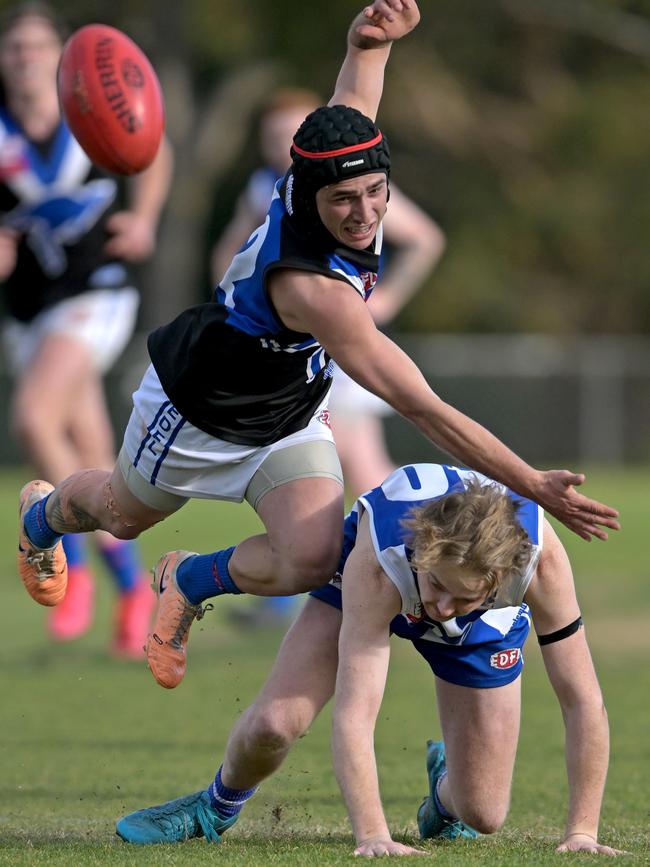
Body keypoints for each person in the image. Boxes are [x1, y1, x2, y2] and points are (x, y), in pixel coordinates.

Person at [17, 0, 619, 692]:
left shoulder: (338, 172)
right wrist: (529, 481)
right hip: (199, 409)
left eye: (376, 192)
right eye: (345, 202)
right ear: (310, 195)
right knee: (121, 517)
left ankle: (185, 578)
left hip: (289, 409)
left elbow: (353, 99)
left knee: (311, 557)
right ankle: (44, 513)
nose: (364, 214)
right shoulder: (314, 290)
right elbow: (420, 404)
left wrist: (370, 44)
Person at [114, 462, 622, 857]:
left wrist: (582, 831)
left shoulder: (538, 564)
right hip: (374, 578)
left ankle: (443, 790)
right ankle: (213, 809)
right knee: (274, 724)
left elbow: (582, 700)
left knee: (483, 814)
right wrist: (374, 834)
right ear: (424, 552)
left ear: (495, 582)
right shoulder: (383, 562)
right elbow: (357, 712)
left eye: (460, 598)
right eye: (438, 586)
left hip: (483, 625)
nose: (440, 609)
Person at [211, 86, 445, 627]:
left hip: (340, 350)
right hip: (299, 354)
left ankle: (431, 578)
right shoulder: (269, 190)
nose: (281, 146)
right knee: (303, 478)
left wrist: (386, 300)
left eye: (291, 135)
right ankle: (295, 595)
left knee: (367, 473)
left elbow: (426, 238)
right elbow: (231, 248)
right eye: (273, 137)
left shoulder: (351, 189)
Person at [1, 2, 173, 656]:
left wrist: (147, 218)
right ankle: (135, 588)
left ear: (60, 54)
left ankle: (58, 549)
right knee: (94, 457)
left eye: (36, 47)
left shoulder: (89, 105)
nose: (24, 58)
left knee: (33, 419)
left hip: (95, 292)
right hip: (28, 307)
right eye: (13, 48)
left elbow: (156, 147)